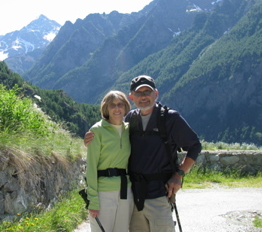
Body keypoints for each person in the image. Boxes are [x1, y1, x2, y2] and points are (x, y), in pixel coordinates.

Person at [84, 75, 202, 232]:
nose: (144, 96)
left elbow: (195, 146)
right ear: (132, 97)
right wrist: (91, 136)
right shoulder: (130, 119)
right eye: (139, 93)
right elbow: (112, 129)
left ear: (156, 94)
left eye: (148, 91)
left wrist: (179, 174)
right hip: (134, 197)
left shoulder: (170, 118)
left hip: (160, 194)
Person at [85, 90, 134, 232]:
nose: (117, 108)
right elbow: (92, 167)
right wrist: (92, 199)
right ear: (106, 108)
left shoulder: (130, 130)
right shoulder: (97, 131)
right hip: (103, 192)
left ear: (126, 107)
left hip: (126, 190)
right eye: (113, 105)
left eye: (120, 104)